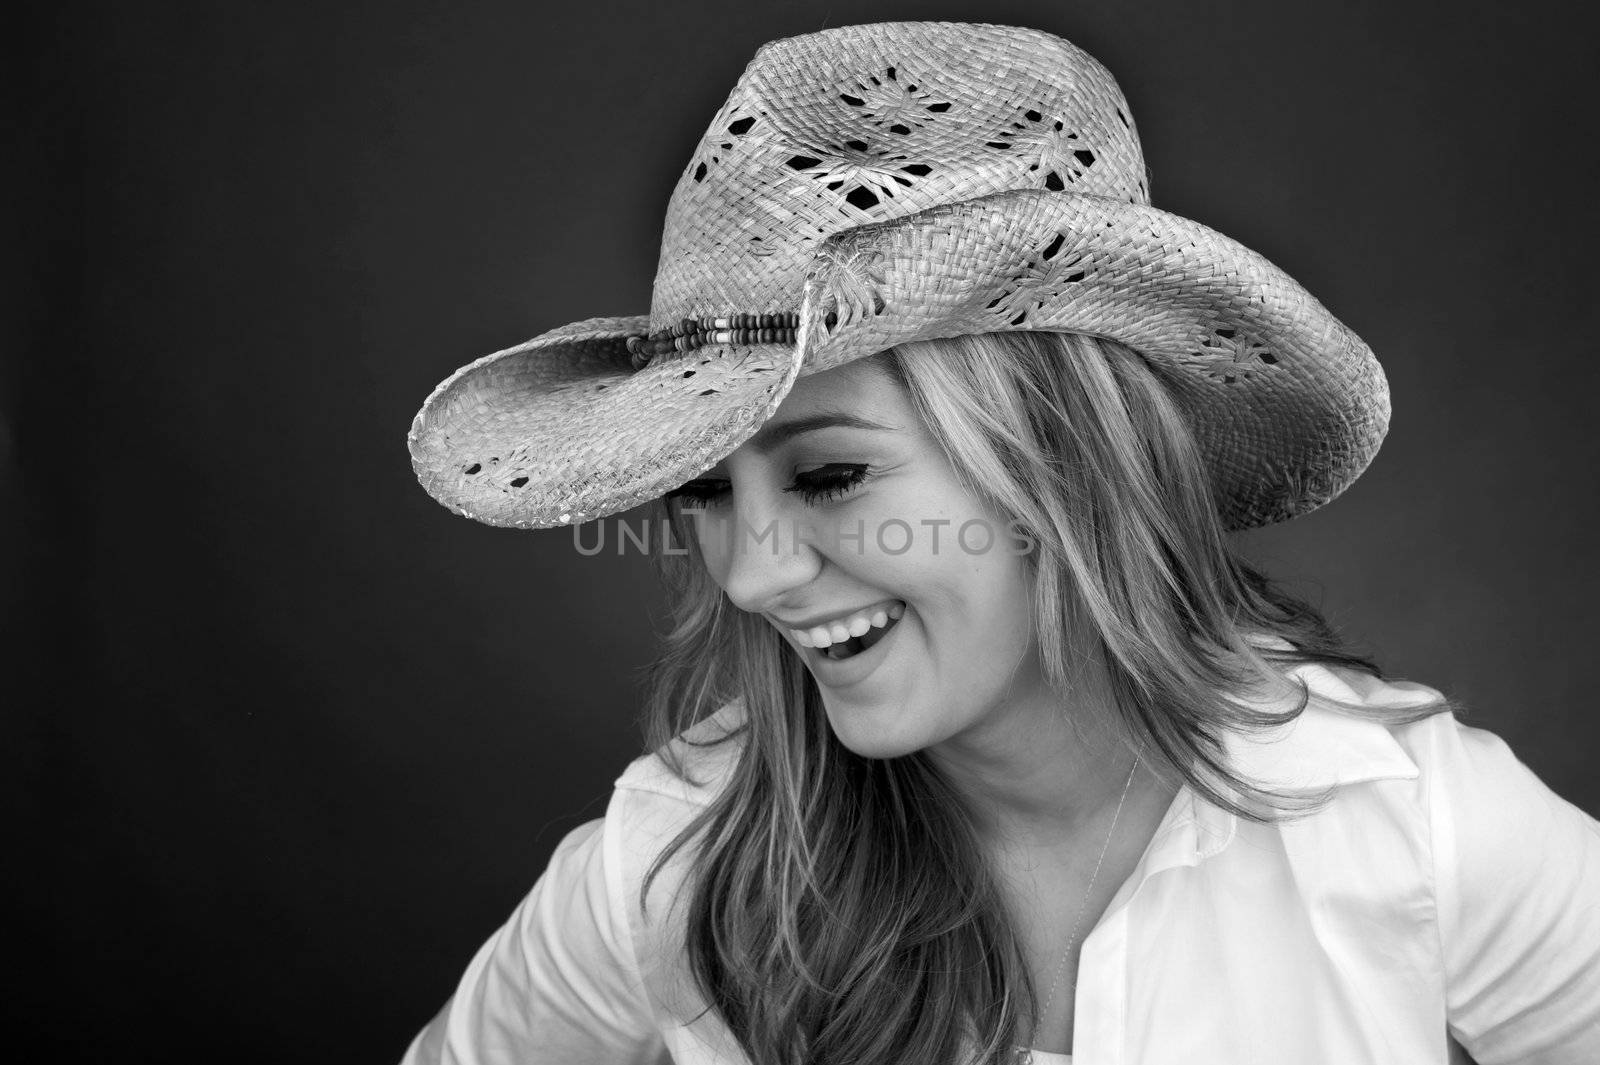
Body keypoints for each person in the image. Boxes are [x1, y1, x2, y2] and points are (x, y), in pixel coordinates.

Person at [400, 21, 1600, 1065]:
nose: (753, 573)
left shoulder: (1407, 822)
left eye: (829, 475)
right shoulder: (674, 861)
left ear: (1065, 467)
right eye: (702, 494)